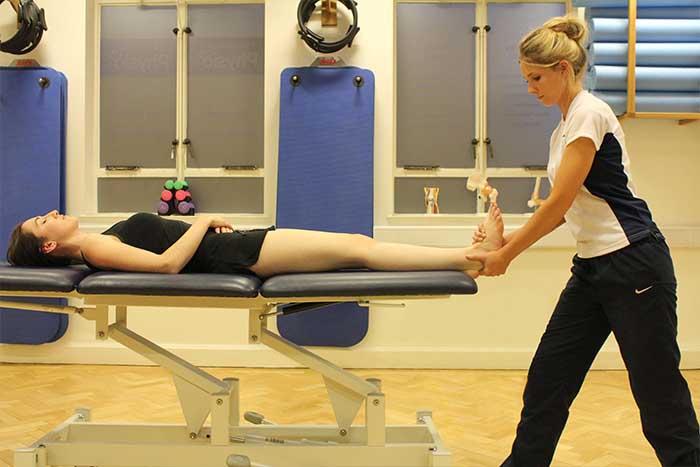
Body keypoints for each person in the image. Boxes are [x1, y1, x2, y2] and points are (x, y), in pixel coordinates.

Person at [468, 15, 700, 467]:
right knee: (549, 377)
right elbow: (567, 210)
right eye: (525, 78)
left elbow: (557, 204)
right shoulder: (564, 127)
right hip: (595, 268)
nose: (530, 87)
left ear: (562, 70)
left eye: (536, 77)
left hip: (634, 263)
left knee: (657, 393)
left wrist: (506, 256)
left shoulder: (589, 113)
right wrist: (505, 242)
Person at [6, 204, 503, 278]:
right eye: (41, 222)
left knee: (356, 245)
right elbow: (167, 266)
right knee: (356, 247)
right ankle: (469, 258)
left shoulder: (98, 241)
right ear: (48, 246)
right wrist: (199, 223)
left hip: (237, 246)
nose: (50, 214)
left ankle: (468, 257)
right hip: (240, 253)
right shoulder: (94, 248)